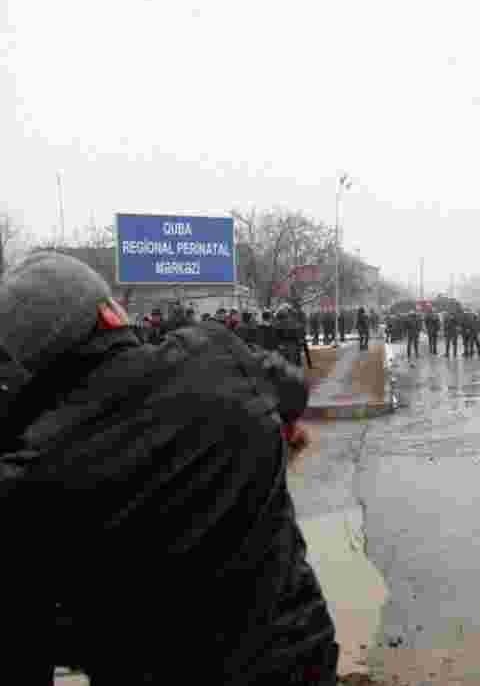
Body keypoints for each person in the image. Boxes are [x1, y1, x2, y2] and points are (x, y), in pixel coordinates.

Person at [0, 252, 338, 685]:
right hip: (293, 662)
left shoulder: (30, 473)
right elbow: (291, 390)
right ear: (109, 313)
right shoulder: (217, 356)